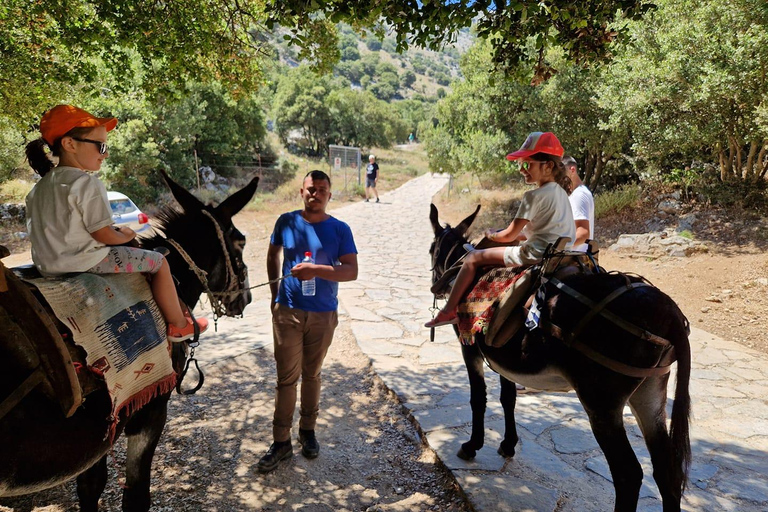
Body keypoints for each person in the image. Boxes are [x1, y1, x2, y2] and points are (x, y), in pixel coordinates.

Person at [24, 104, 207, 342]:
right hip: (85, 262)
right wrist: (126, 235)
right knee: (159, 262)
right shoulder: (86, 183)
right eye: (101, 146)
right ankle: (179, 325)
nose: (105, 153)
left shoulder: (39, 188)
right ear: (70, 144)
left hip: (48, 266)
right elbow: (103, 234)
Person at [259, 170, 358, 473]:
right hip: (287, 311)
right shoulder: (286, 222)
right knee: (286, 379)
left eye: (322, 190)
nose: (316, 194)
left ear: (330, 195)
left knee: (312, 375)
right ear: (301, 192)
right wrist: (276, 294)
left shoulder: (340, 229)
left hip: (323, 313)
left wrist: (317, 269)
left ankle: (308, 431)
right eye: (311, 189)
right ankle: (280, 442)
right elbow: (272, 254)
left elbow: (351, 271)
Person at [425, 132, 575, 328]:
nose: (522, 169)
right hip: (560, 253)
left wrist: (491, 234)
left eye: (527, 164)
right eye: (520, 164)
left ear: (547, 166)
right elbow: (545, 229)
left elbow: (509, 235)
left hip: (534, 254)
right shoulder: (562, 194)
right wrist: (516, 234)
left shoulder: (533, 196)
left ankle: (448, 311)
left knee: (473, 258)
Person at [562, 155, 595, 252]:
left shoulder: (579, 195)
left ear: (572, 170)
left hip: (574, 258)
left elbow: (583, 233)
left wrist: (560, 248)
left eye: (561, 173)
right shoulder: (575, 193)